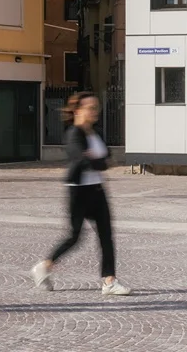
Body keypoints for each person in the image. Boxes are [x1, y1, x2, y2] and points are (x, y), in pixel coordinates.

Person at [31, 93, 131, 296]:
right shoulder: (73, 134)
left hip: (97, 189)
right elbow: (84, 160)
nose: (94, 111)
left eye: (96, 107)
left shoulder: (97, 134)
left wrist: (97, 161)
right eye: (90, 107)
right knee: (74, 236)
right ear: (78, 111)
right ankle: (44, 266)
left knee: (106, 236)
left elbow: (106, 158)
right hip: (78, 190)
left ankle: (109, 281)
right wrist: (97, 161)